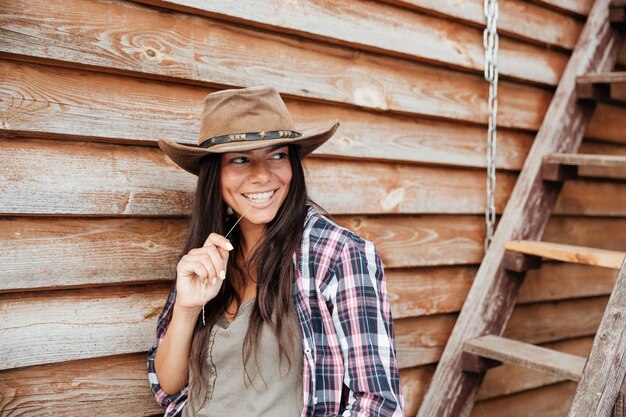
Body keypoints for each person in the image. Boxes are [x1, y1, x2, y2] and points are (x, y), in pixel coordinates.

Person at [148, 85, 404, 417]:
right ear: (215, 173)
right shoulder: (208, 256)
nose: (263, 175)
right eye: (241, 159)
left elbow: (378, 404)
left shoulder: (338, 255)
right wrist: (186, 307)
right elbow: (167, 386)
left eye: (277, 155)